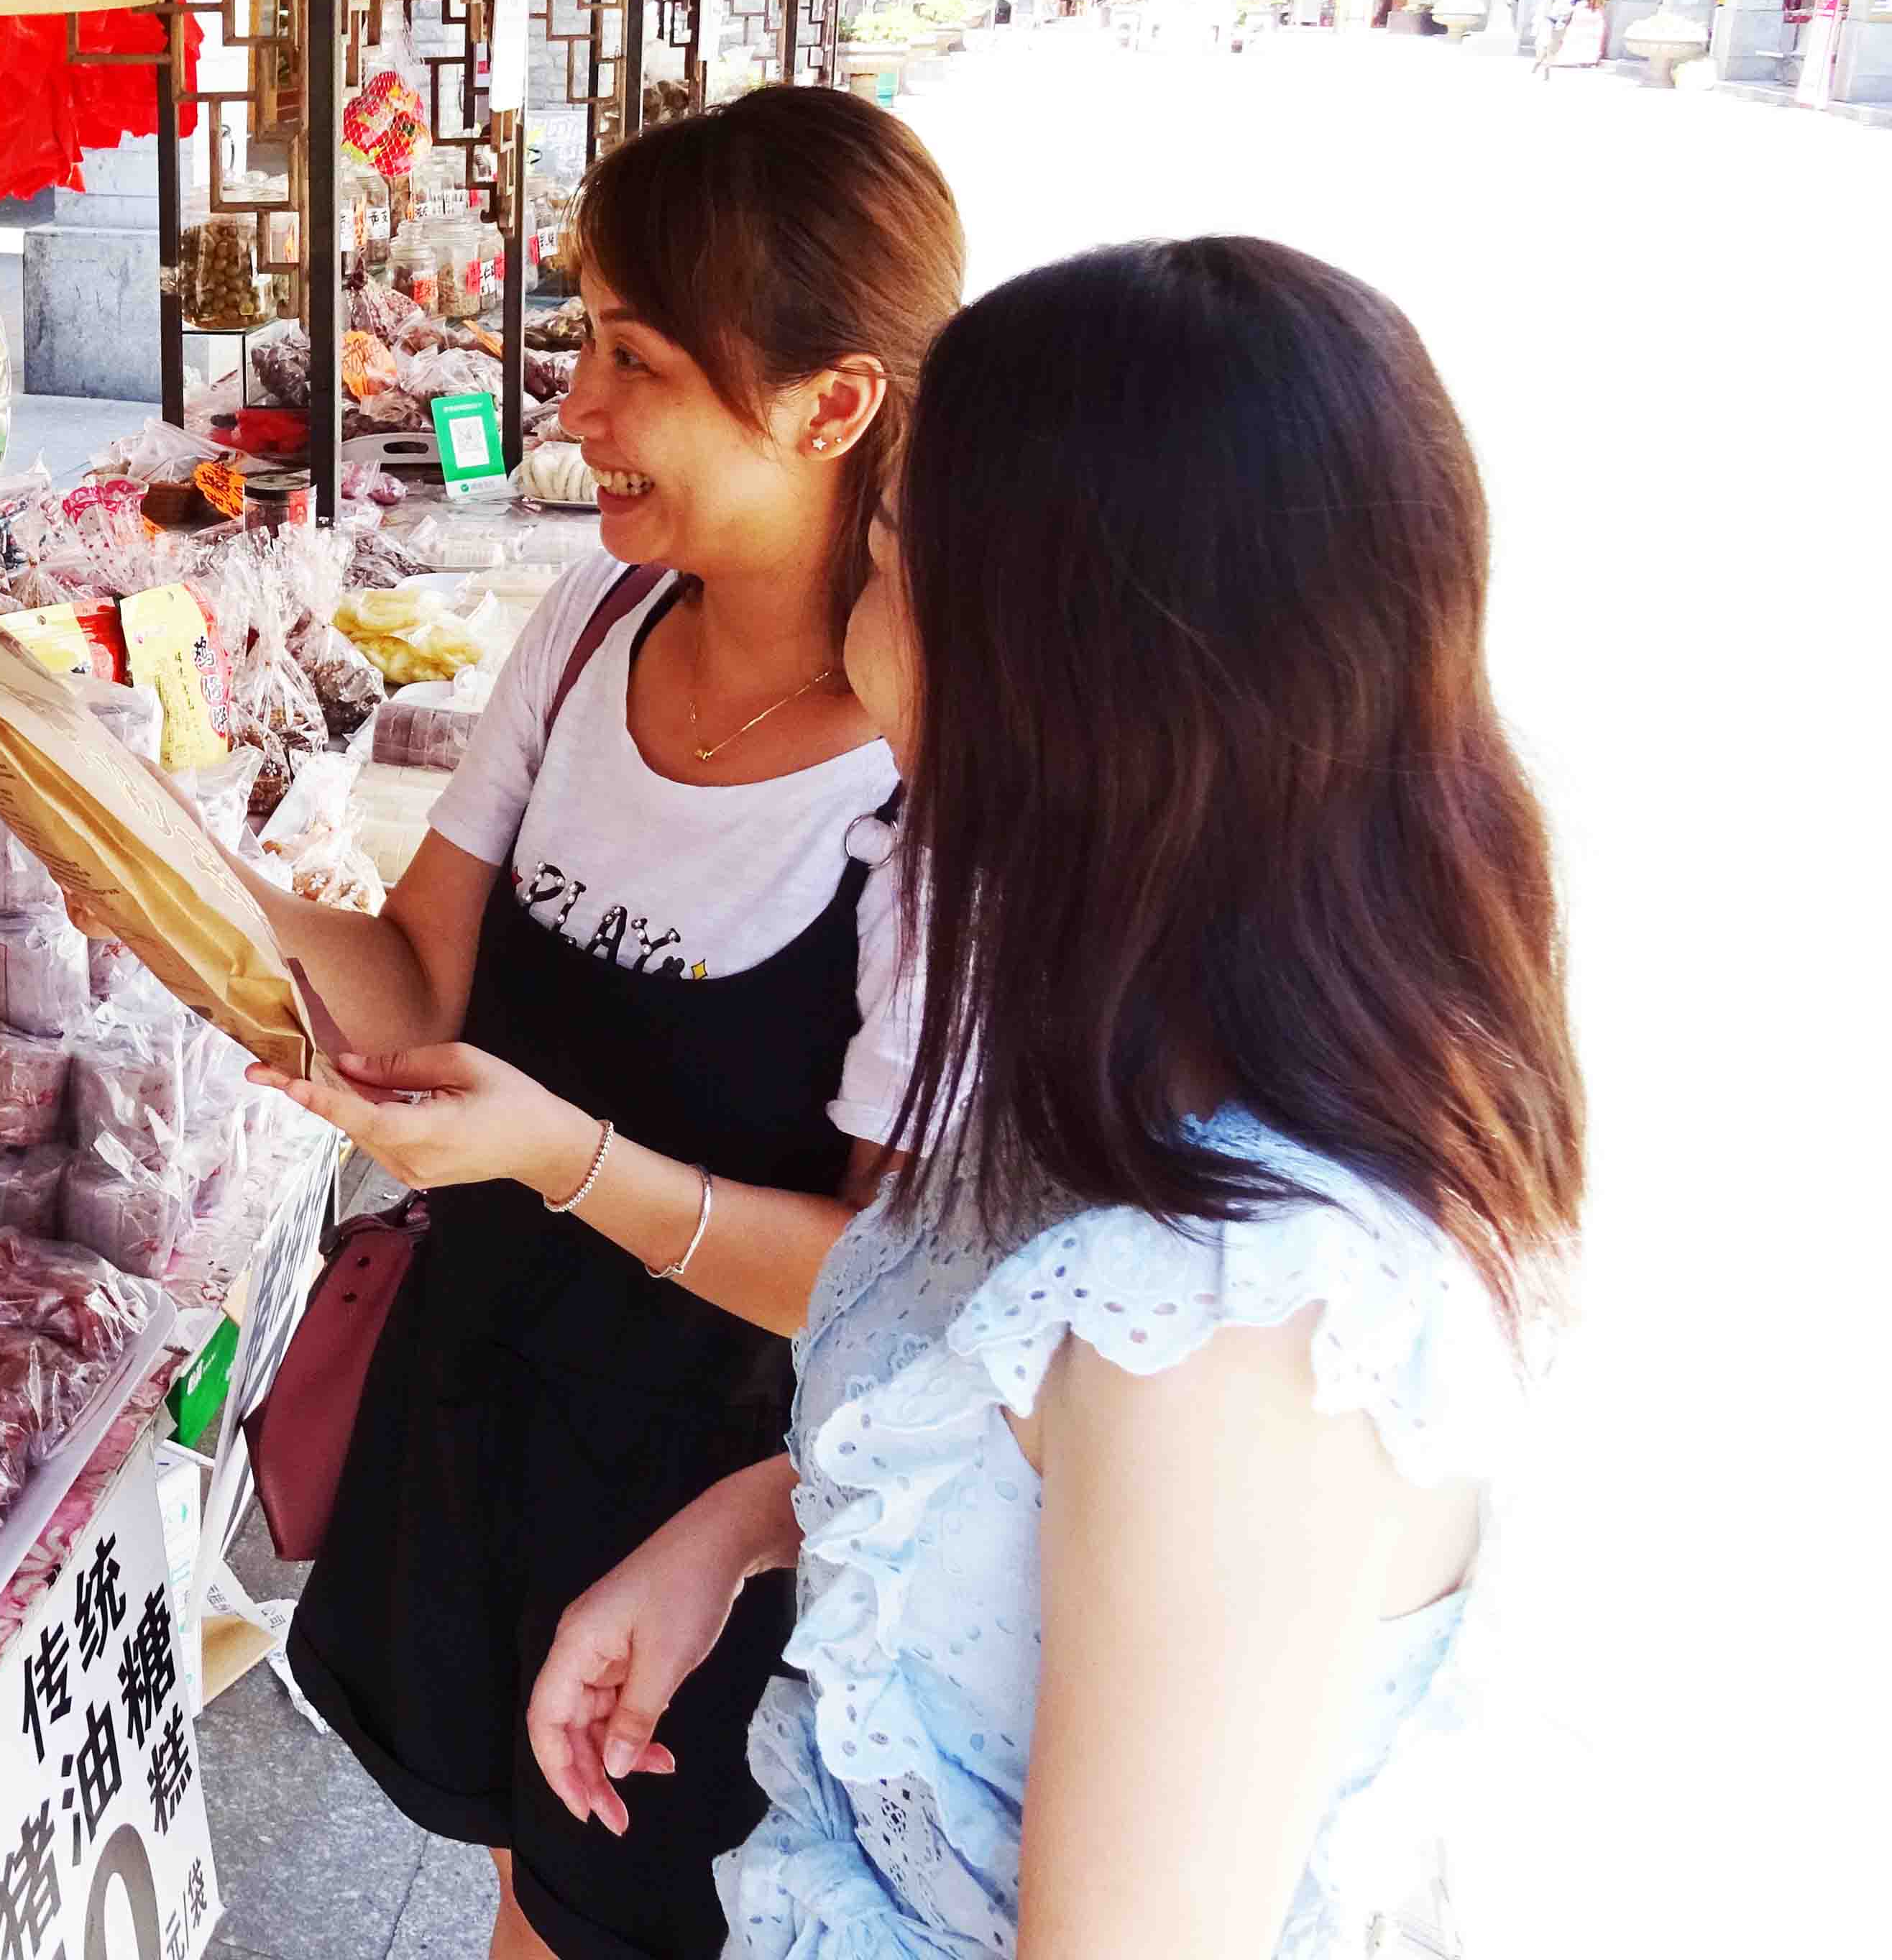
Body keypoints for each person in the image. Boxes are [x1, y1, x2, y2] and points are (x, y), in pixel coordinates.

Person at [528, 239, 1582, 1960]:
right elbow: (1010, 1436)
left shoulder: (1239, 1341)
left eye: (884, 560)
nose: (859, 632)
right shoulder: (1137, 1047)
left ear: (1054, 682)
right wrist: (735, 1533)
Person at [234, 88, 963, 1960]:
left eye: (634, 359)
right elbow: (422, 982)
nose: (567, 407)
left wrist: (560, 1157)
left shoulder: (940, 800)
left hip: (718, 1521)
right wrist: (164, 878)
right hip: (494, 1412)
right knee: (520, 1903)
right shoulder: (594, 617)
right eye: (583, 342)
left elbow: (901, 1297)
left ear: (834, 405)